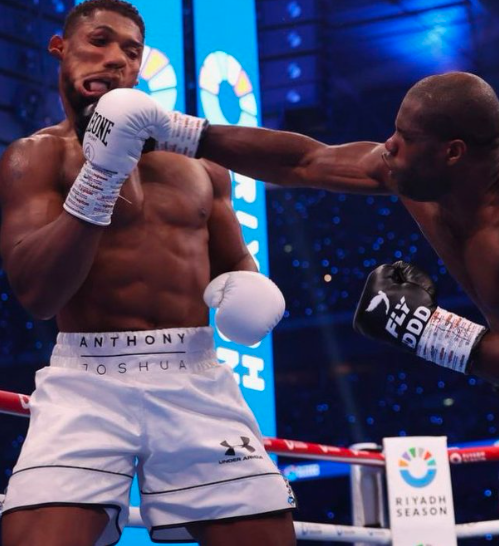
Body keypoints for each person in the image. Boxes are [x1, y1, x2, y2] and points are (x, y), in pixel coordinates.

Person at [181, 72, 499, 545]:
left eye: (407, 137)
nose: (389, 145)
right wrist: (186, 134)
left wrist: (432, 333)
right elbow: (304, 161)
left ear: (453, 151)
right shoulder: (415, 179)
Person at [0, 1, 297, 545]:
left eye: (131, 52)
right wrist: (102, 175)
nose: (115, 59)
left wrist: (250, 291)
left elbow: (234, 263)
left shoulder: (201, 164)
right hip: (87, 380)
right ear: (60, 48)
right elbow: (37, 293)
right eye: (99, 41)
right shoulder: (35, 157)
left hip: (195, 375)